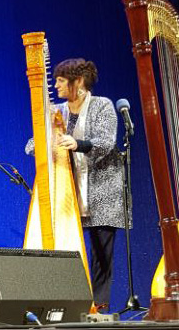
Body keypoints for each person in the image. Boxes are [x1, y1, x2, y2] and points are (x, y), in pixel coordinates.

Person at [27, 59, 126, 311]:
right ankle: (66, 302)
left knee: (101, 255)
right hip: (68, 192)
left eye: (61, 80)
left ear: (78, 82)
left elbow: (106, 142)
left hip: (101, 190)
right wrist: (45, 140)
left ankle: (100, 306)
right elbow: (30, 145)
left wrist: (77, 143)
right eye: (57, 80)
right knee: (67, 248)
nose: (56, 85)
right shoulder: (56, 112)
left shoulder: (102, 105)